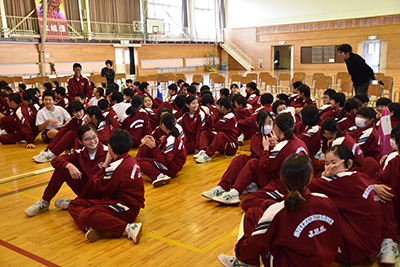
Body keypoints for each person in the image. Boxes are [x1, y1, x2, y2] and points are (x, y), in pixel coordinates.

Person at [218, 154, 342, 267]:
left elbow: (252, 246)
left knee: (251, 215)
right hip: (324, 261)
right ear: (310, 178)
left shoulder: (277, 211)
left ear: (282, 178)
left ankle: (246, 263)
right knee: (263, 209)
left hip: (289, 264)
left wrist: (240, 250)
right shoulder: (326, 200)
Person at [309, 145, 382, 264]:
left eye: (334, 162)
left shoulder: (343, 180)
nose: (329, 167)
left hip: (353, 251)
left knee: (313, 205)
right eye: (326, 163)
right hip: (368, 244)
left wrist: (322, 175)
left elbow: (305, 184)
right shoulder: (359, 175)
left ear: (348, 164)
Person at [68, 129, 144, 243]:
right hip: (122, 203)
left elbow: (99, 188)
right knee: (74, 204)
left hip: (125, 208)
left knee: (86, 215)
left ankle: (128, 228)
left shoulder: (116, 166)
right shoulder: (130, 160)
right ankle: (92, 227)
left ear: (111, 147)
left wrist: (104, 166)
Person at [25, 125, 108, 216]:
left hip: (104, 193)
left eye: (94, 137)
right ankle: (45, 202)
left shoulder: (108, 153)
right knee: (62, 170)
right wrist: (69, 166)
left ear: (98, 137)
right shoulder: (79, 154)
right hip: (87, 190)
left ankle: (76, 203)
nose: (92, 141)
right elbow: (55, 160)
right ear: (80, 141)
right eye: (87, 139)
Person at [202, 111, 273, 200]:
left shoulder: (277, 137)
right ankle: (222, 187)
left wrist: (269, 147)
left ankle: (235, 192)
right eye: (264, 123)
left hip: (270, 174)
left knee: (253, 162)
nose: (267, 125)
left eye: (270, 122)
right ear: (257, 124)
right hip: (260, 170)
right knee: (241, 158)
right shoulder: (256, 137)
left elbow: (266, 162)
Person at [136, 113, 187, 187]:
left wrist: (154, 147)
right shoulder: (171, 134)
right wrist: (157, 142)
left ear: (163, 125)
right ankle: (142, 169)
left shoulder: (172, 138)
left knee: (138, 162)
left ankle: (160, 176)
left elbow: (165, 160)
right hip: (169, 163)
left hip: (170, 168)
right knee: (145, 147)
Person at [195, 97, 238, 163]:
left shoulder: (230, 116)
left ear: (222, 107)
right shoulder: (222, 114)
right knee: (205, 133)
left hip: (231, 146)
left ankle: (207, 155)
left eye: (217, 106)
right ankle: (202, 150)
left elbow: (215, 125)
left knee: (220, 134)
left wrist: (215, 113)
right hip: (223, 143)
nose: (216, 107)